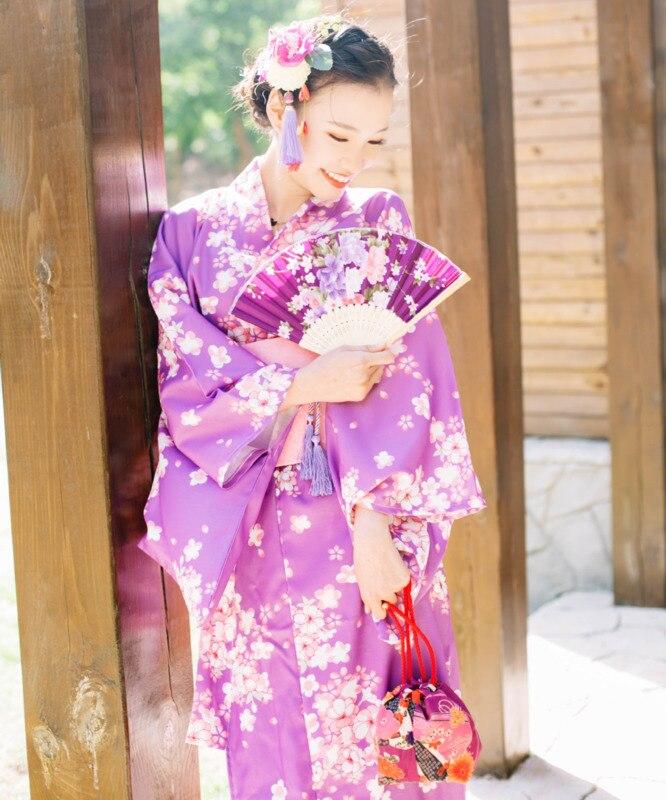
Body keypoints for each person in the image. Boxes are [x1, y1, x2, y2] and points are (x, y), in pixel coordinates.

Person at [137, 12, 487, 799]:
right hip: (255, 529)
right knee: (276, 751)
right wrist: (302, 382)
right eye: (338, 135)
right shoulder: (189, 235)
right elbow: (186, 390)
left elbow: (410, 383)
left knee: (397, 738)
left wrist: (377, 528)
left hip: (363, 524)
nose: (354, 160)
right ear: (281, 108)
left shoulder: (376, 219)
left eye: (373, 141)